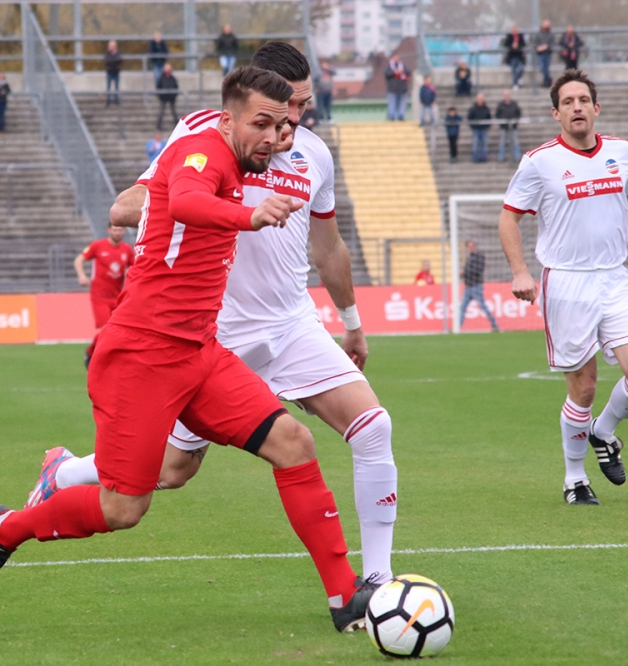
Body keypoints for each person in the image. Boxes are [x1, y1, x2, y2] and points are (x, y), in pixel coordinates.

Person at [0, 66, 379, 635]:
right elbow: (184, 202)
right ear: (229, 118)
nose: (273, 136)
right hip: (139, 357)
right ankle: (5, 529)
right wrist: (248, 216)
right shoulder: (200, 150)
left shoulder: (246, 160)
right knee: (123, 509)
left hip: (198, 353)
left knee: (294, 442)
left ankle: (345, 598)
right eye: (261, 123)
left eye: (281, 125)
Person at [58, 42, 400, 601]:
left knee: (373, 428)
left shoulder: (316, 156)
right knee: (170, 472)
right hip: (215, 334)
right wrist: (180, 207)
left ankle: (378, 582)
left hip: (292, 324)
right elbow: (135, 201)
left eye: (304, 107)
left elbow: (329, 246)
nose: (295, 120)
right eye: (287, 108)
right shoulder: (205, 133)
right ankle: (69, 473)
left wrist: (352, 321)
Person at [499, 69, 628, 505]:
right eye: (567, 101)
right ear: (556, 113)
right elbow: (509, 217)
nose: (577, 107)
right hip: (566, 282)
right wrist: (520, 272)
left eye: (583, 100)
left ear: (596, 108)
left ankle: (603, 430)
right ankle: (575, 479)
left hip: (614, 277)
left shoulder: (622, 152)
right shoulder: (539, 162)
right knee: (584, 387)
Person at [74, 223, 134, 366]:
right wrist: (82, 276)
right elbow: (79, 260)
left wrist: (129, 274)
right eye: (115, 230)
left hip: (118, 297)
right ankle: (93, 354)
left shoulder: (126, 249)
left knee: (117, 330)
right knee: (106, 329)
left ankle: (94, 352)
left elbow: (135, 267)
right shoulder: (97, 246)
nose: (118, 232)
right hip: (99, 296)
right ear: (108, 230)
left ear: (124, 231)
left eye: (120, 230)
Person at [458, 240, 499, 331]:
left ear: (474, 246)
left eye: (471, 246)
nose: (470, 248)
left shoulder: (479, 257)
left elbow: (478, 270)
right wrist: (462, 274)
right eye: (468, 246)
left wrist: (465, 272)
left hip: (476, 286)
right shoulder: (469, 258)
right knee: (462, 308)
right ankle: (457, 328)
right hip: (468, 287)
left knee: (483, 307)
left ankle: (495, 325)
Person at [496, 89, 522, 162]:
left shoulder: (514, 104)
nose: (506, 96)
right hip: (504, 127)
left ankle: (517, 156)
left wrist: (516, 122)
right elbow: (497, 115)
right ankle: (501, 157)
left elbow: (518, 113)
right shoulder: (500, 105)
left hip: (513, 127)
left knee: (515, 142)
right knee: (502, 142)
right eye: (505, 95)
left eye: (507, 95)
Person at [384, 53, 409, 121]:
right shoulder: (389, 66)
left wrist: (402, 71)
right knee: (392, 103)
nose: (397, 59)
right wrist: (394, 72)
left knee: (402, 104)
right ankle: (391, 116)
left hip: (402, 89)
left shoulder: (402, 65)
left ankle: (401, 116)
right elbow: (386, 73)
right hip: (392, 89)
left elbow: (408, 72)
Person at [467, 93, 491, 163]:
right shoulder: (473, 109)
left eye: (481, 99)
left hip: (484, 129)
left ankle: (483, 157)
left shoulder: (486, 108)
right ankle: (475, 157)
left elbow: (489, 118)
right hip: (476, 129)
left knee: (484, 143)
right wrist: (473, 126)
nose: (480, 101)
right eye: (479, 99)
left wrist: (486, 126)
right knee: (475, 143)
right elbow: (470, 118)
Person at [531, 19, 555, 87]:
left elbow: (552, 44)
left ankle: (546, 82)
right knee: (541, 68)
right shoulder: (538, 34)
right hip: (540, 54)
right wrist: (539, 48)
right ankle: (550, 80)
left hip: (547, 53)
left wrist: (546, 46)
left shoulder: (550, 34)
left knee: (546, 68)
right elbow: (535, 43)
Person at [156, 63, 179, 130]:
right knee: (161, 111)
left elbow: (176, 87)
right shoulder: (162, 78)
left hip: (171, 97)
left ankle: (176, 124)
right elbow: (158, 87)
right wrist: (161, 95)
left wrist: (173, 95)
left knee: (174, 111)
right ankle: (159, 125)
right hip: (164, 97)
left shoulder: (172, 78)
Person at [104, 40, 123, 106]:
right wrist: (114, 60)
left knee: (116, 87)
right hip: (109, 71)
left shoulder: (118, 53)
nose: (111, 47)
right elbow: (107, 60)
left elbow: (119, 60)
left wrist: (113, 60)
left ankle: (116, 99)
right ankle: (108, 100)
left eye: (113, 46)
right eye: (110, 46)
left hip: (116, 71)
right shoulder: (107, 53)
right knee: (108, 86)